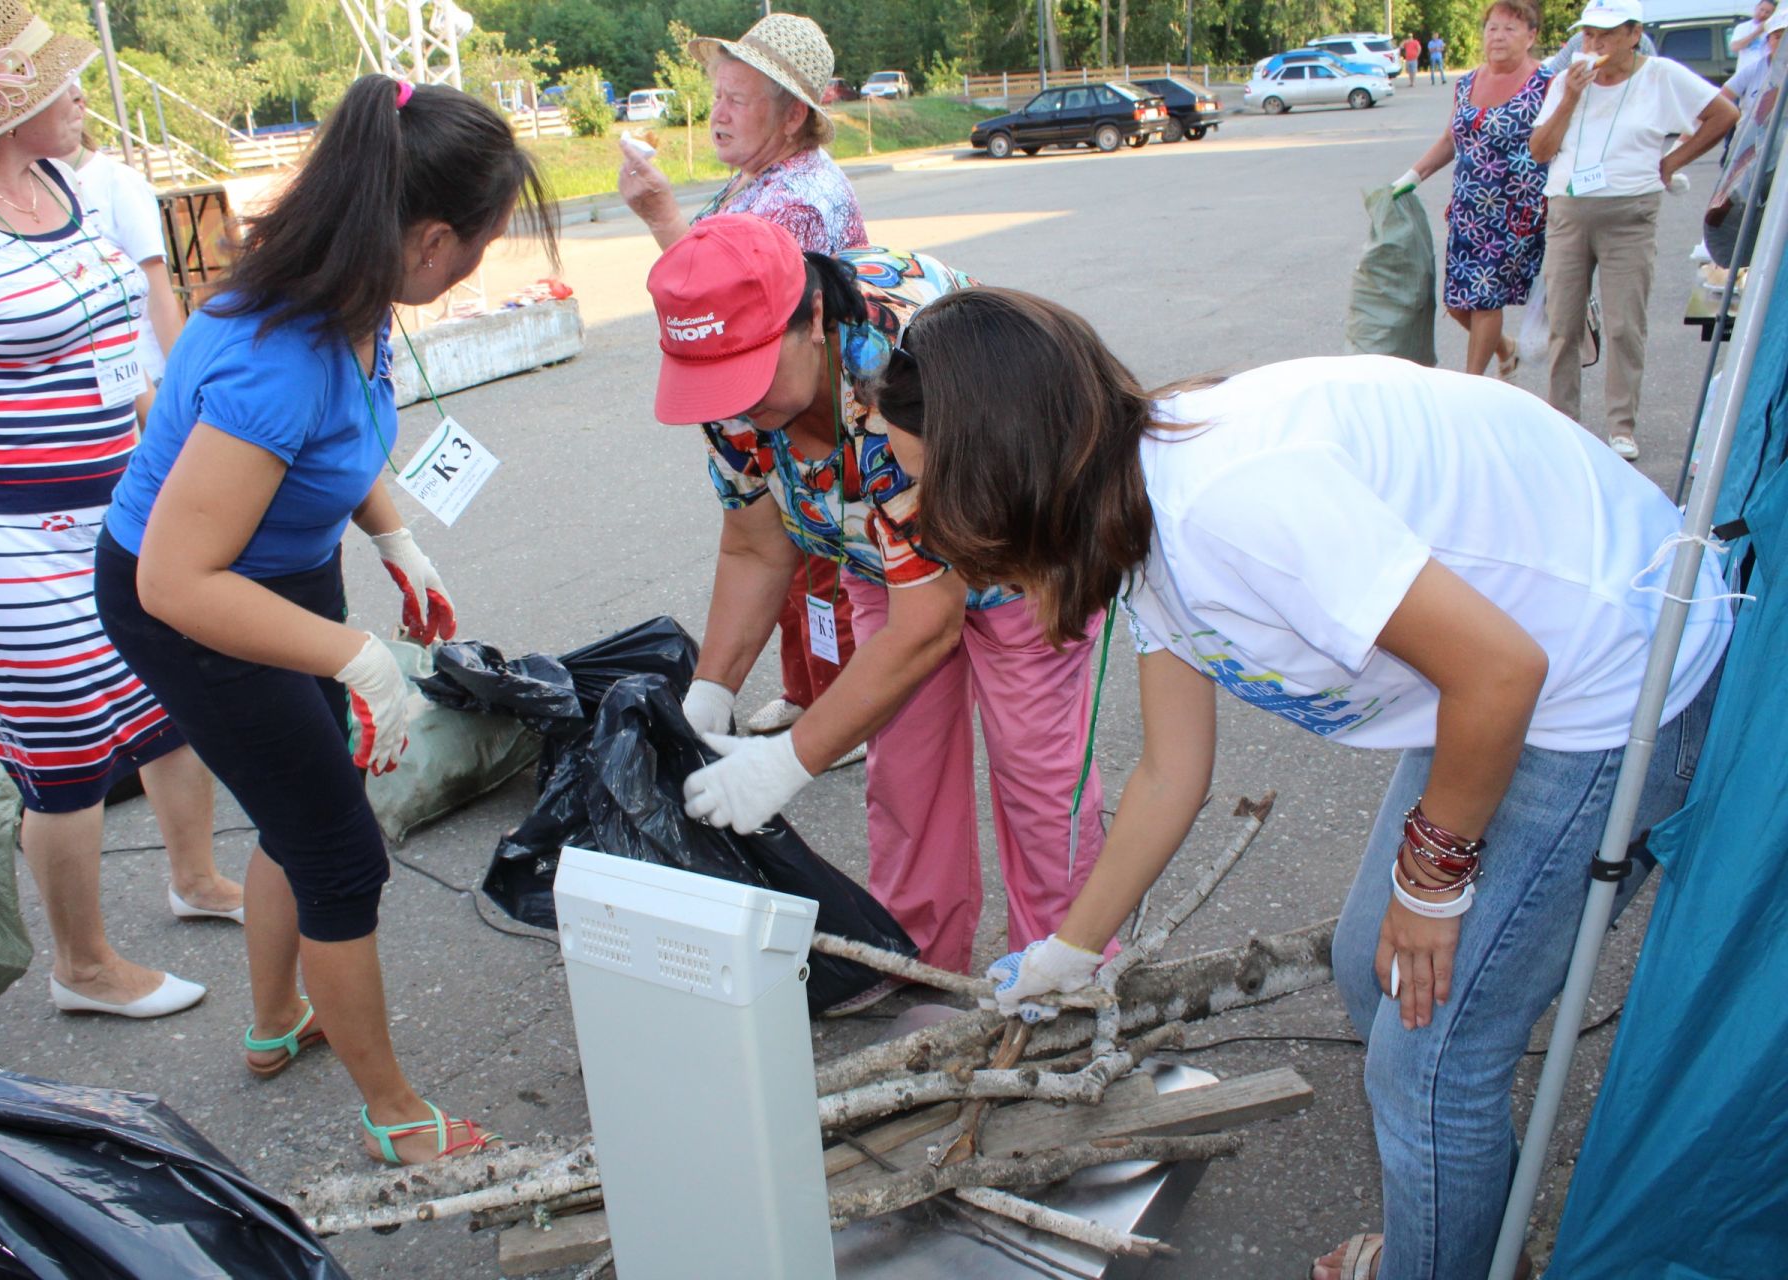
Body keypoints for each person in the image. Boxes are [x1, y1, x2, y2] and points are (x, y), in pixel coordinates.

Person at [872, 288, 1732, 1280]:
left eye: (923, 483)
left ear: (1000, 467)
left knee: (1430, 1064)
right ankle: (1449, 1238)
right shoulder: (1131, 507)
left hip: (1604, 685)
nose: (914, 515)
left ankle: (1445, 1260)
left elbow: (1503, 671)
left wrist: (1433, 879)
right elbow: (1169, 769)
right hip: (1492, 675)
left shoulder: (1233, 504)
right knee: (1381, 966)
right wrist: (1072, 951)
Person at [94, 75, 556, 1163]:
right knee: (342, 857)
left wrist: (393, 537)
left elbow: (339, 439)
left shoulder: (350, 291)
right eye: (483, 244)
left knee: (305, 798)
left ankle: (273, 1021)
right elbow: (176, 581)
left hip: (277, 571)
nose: (475, 266)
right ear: (433, 239)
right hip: (193, 598)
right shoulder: (277, 356)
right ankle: (394, 1110)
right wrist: (359, 657)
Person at [0, 0, 240, 1020]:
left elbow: (125, 347)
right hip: (5, 539)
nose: (82, 99)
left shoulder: (60, 183)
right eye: (59, 88)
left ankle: (196, 877)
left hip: (123, 507)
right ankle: (82, 966)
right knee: (66, 747)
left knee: (170, 703)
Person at [647, 215, 1107, 1010]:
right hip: (876, 555)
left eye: (750, 377)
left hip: (1019, 562)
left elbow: (926, 623)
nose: (735, 404)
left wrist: (788, 759)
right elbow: (756, 546)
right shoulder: (732, 390)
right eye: (714, 385)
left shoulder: (898, 367)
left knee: (1040, 780)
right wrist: (710, 689)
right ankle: (920, 964)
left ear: (814, 319)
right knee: (905, 776)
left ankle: (1060, 978)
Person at [621, 13, 869, 747]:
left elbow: (738, 313)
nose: (718, 112)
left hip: (813, 427)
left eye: (738, 98)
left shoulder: (793, 198)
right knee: (785, 561)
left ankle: (842, 715)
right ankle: (809, 694)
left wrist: (662, 214)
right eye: (717, 94)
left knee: (825, 569)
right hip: (768, 427)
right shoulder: (757, 178)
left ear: (794, 115)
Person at [1530, 0, 1738, 459]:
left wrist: (1672, 162)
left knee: (1626, 322)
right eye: (1588, 35)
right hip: (1569, 207)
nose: (1595, 44)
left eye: (1605, 34)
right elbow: (1540, 150)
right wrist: (1570, 98)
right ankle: (1564, 420)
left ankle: (1621, 426)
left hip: (1630, 209)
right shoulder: (1568, 81)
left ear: (1632, 34)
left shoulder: (1660, 74)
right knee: (1563, 321)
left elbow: (1724, 114)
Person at [1393, 2, 1551, 379]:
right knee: (1458, 303)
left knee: (1484, 301)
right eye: (1492, 28)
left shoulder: (1545, 84)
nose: (1497, 36)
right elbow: (1451, 138)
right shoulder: (1467, 82)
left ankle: (1472, 385)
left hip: (1516, 213)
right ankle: (1504, 348)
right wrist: (1409, 178)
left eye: (1510, 29)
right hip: (1468, 211)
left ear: (1531, 37)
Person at [66, 127, 185, 423]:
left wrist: (184, 386)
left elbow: (158, 290)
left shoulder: (116, 180)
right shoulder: (37, 190)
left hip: (143, 376)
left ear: (78, 106)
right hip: (86, 388)